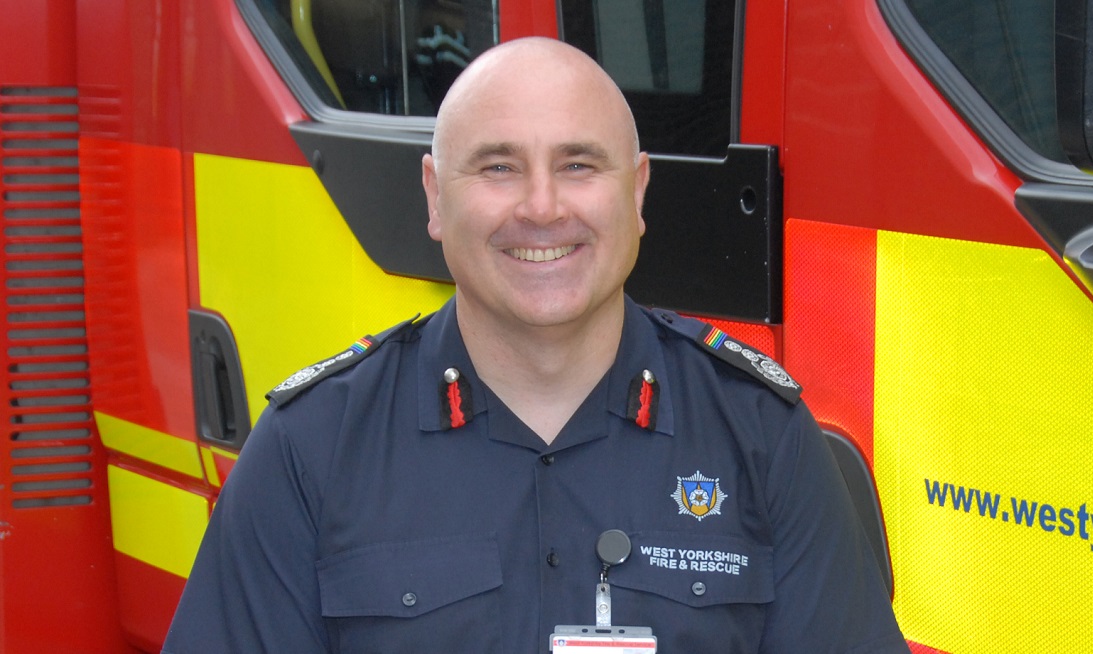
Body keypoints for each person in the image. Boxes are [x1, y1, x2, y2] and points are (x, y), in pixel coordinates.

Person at [163, 37, 907, 653]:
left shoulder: (762, 437)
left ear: (637, 193)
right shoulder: (310, 450)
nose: (543, 207)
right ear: (434, 196)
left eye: (579, 165)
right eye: (499, 167)